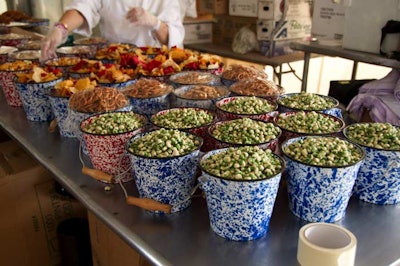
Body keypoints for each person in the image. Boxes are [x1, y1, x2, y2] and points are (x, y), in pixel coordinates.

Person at [40, 0, 184, 61]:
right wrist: (61, 28)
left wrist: (155, 23)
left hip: (153, 67)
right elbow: (83, 6)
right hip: (112, 62)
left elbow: (173, 39)